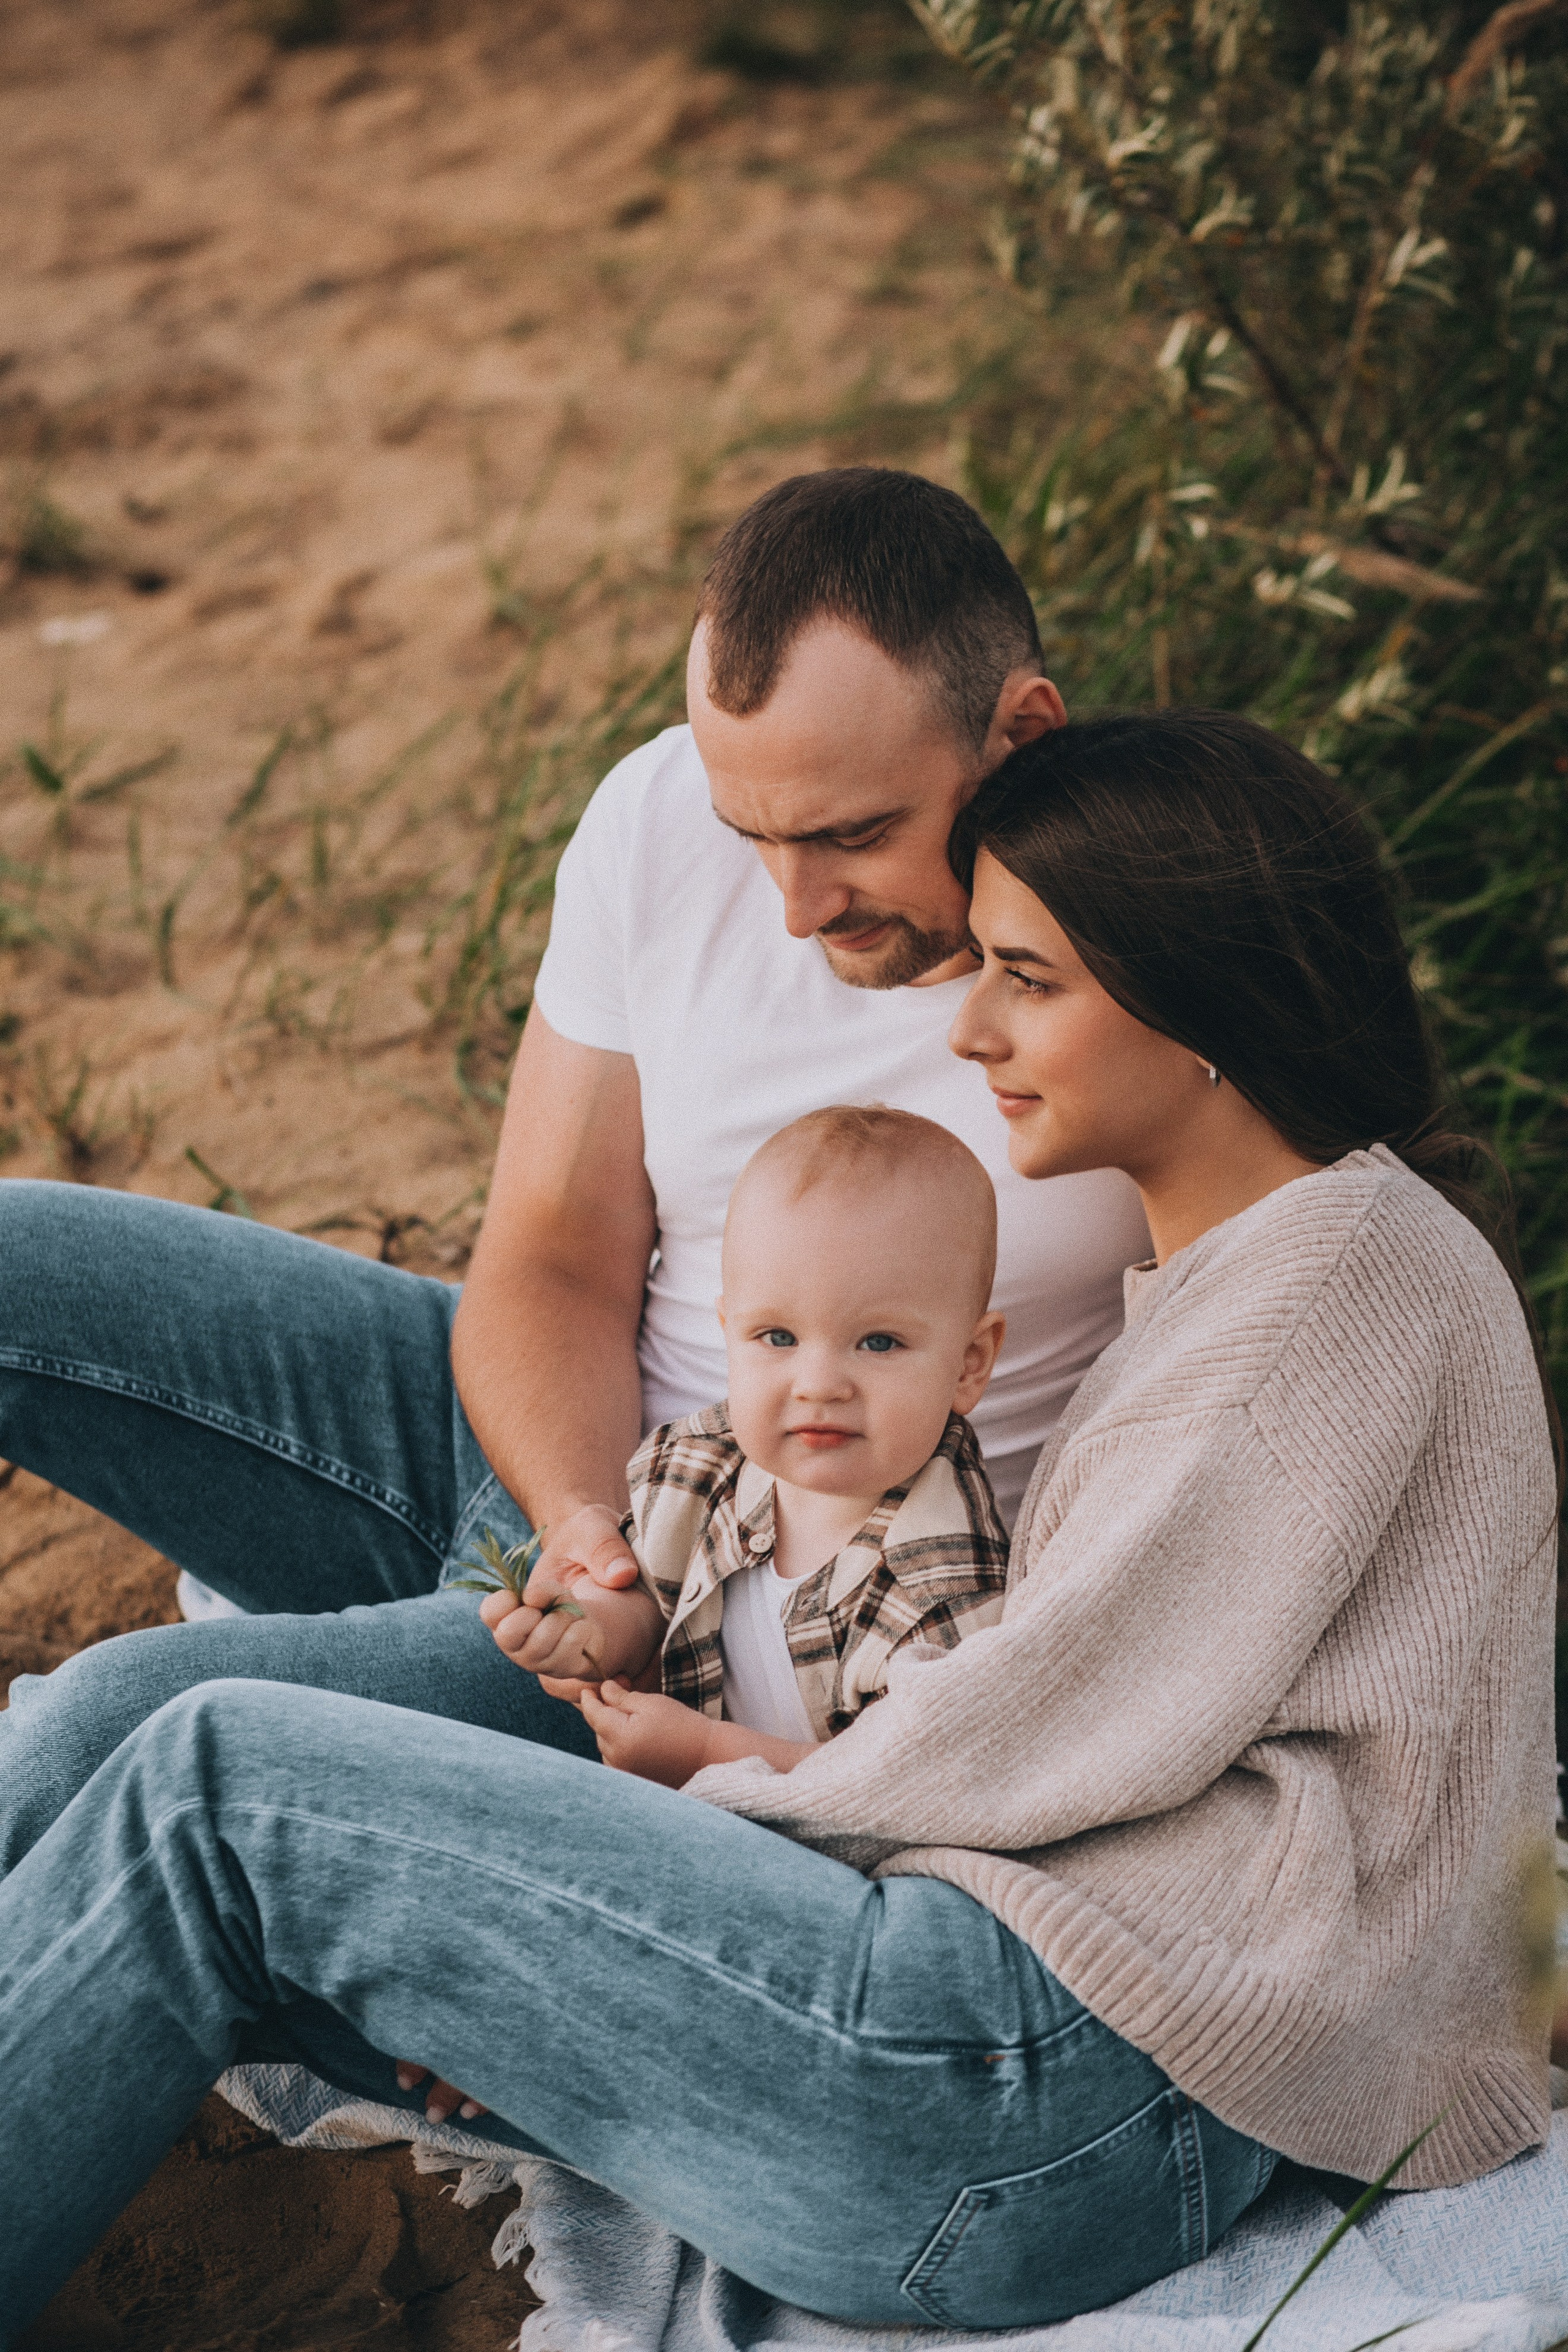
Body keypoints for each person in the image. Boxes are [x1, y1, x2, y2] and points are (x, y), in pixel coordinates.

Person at [2, 711, 1555, 2339]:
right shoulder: (1262, 1276)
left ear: (1205, 1002)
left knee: (213, 1781)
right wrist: (527, 1955)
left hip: (1044, 2084)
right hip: (1033, 2085)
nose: (967, 1034)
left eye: (1028, 980)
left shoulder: (1335, 1277)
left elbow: (1027, 1735)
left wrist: (653, 1843)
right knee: (180, 1767)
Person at [0, 468, 1148, 1874]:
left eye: (851, 835)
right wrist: (578, 1527)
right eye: (753, 837)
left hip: (702, 1625)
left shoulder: (1142, 975)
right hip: (556, 1464)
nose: (793, 910)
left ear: (1019, 733)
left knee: (108, 1721)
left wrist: (636, 1597)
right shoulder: (658, 814)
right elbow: (551, 1252)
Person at [508, 1103, 1009, 1790]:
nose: (818, 1385)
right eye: (776, 1337)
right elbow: (653, 1601)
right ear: (728, 1331)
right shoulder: (704, 1469)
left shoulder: (944, 1587)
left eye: (879, 1342)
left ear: (967, 1364)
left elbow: (909, 1789)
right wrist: (592, 1633)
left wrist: (705, 1752)